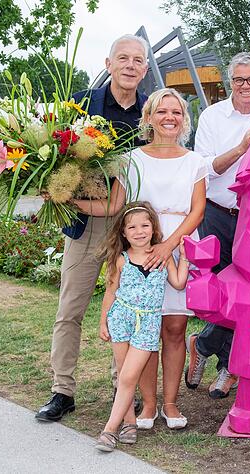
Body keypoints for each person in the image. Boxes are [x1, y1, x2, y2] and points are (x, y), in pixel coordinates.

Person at [72, 88, 206, 430]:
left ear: (184, 119)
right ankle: (148, 404)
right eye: (162, 111)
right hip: (140, 249)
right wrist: (64, 200)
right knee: (141, 328)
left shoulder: (195, 161)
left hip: (176, 245)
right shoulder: (131, 160)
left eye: (176, 112)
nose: (170, 118)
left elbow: (197, 211)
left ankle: (172, 403)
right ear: (148, 118)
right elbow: (115, 206)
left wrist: (168, 246)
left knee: (174, 328)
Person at [35, 34, 149, 423]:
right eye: (123, 58)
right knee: (70, 310)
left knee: (130, 311)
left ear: (146, 68)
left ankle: (124, 386)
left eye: (138, 60)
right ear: (109, 63)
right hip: (86, 225)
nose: (130, 65)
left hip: (132, 229)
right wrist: (54, 187)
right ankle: (62, 390)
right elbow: (52, 154)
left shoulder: (151, 113)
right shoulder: (81, 105)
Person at [186, 52, 250, 399]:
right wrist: (242, 148)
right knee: (221, 291)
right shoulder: (213, 116)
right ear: (230, 83)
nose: (245, 86)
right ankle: (224, 360)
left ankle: (211, 350)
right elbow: (206, 167)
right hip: (216, 211)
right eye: (239, 80)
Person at [93, 201, 190, 452]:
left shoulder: (162, 257)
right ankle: (129, 424)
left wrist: (185, 259)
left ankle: (109, 430)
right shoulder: (120, 260)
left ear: (153, 228)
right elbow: (110, 292)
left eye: (145, 225)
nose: (139, 231)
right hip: (121, 319)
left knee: (128, 376)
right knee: (126, 375)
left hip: (147, 323)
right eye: (132, 227)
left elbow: (178, 283)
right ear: (123, 233)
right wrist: (103, 321)